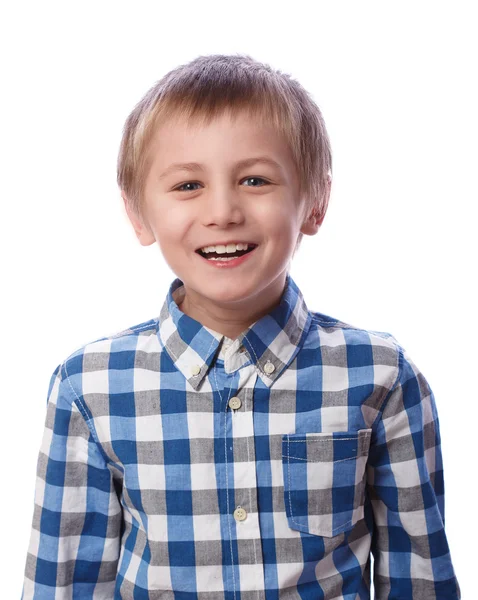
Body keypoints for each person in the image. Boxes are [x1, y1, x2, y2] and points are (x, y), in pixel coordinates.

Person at [21, 53, 460, 599]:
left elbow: (421, 581)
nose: (223, 211)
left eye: (255, 180)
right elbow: (63, 584)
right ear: (138, 213)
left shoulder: (383, 376)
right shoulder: (87, 388)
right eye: (187, 186)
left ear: (316, 201)